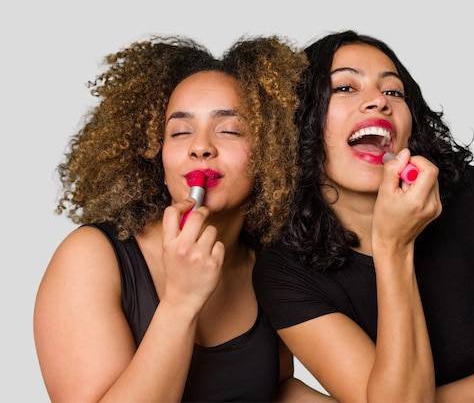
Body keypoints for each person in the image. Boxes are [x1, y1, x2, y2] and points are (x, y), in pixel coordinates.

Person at [252, 30, 474, 402]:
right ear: (300, 122)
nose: (378, 101)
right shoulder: (282, 270)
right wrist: (393, 246)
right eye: (345, 88)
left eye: (393, 92)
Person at [34, 34, 334, 402]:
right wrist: (180, 302)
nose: (200, 146)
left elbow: (273, 391)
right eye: (180, 132)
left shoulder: (270, 269)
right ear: (157, 158)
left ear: (272, 152)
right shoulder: (91, 258)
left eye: (229, 130)